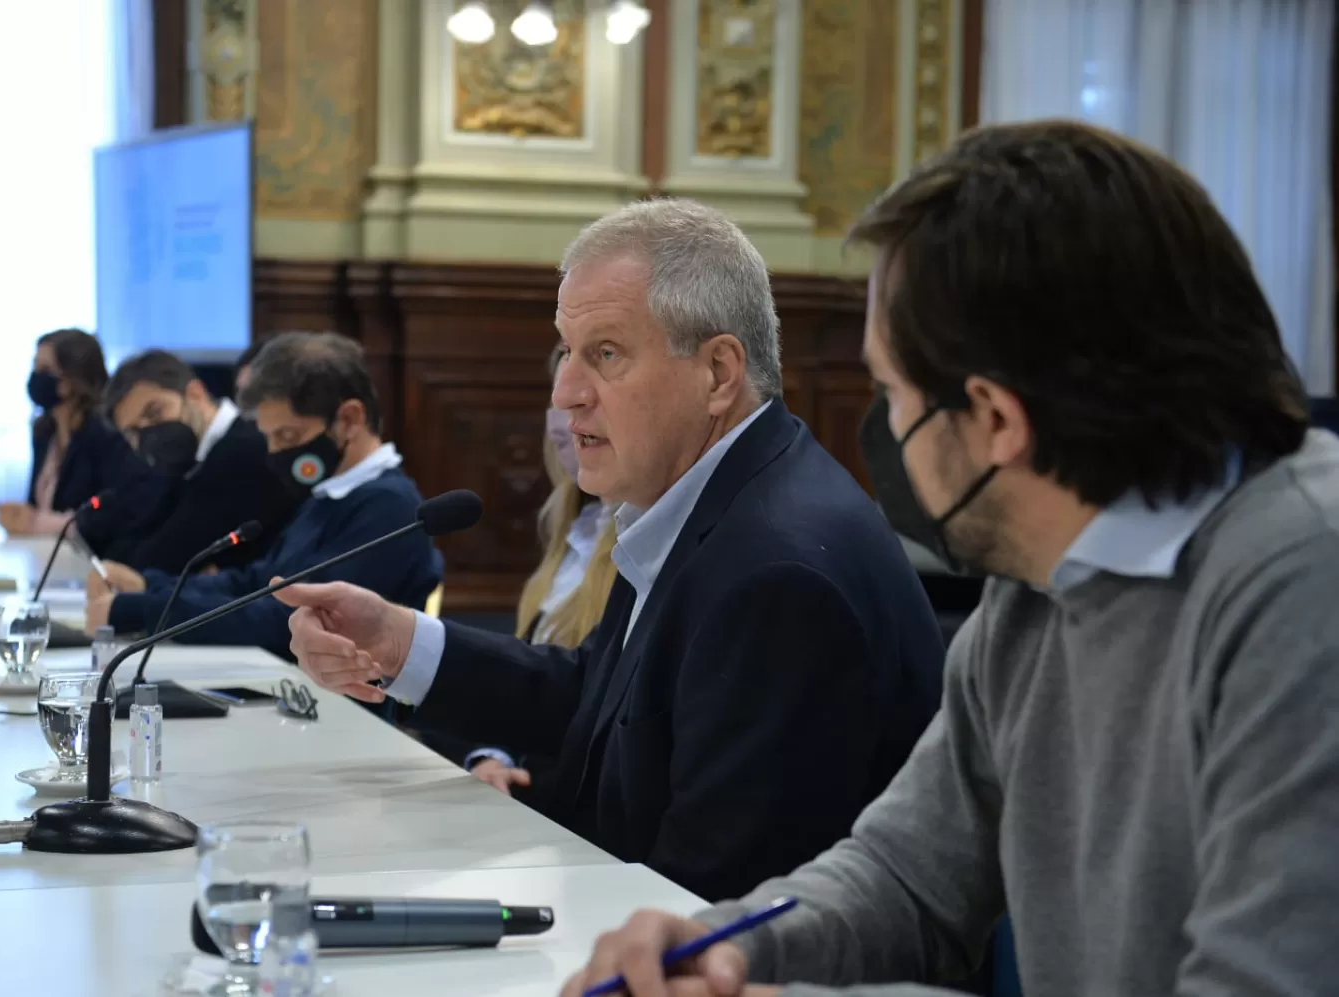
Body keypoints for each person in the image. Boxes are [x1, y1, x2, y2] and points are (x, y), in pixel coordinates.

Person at [560, 121, 1339, 997]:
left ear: (997, 421)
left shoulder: (1304, 584)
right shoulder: (1038, 585)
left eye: (892, 393)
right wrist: (727, 944)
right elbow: (902, 874)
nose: (884, 430)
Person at [279, 199, 946, 903]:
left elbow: (704, 901)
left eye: (606, 353)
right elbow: (597, 698)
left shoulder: (777, 574)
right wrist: (397, 640)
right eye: (568, 350)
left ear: (718, 372)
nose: (565, 393)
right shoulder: (705, 496)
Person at [85, 332, 443, 669]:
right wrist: (153, 586)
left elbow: (285, 622)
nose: (273, 454)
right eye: (269, 437)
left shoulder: (387, 508)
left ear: (349, 419)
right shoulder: (330, 493)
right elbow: (258, 583)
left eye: (288, 435)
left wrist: (140, 610)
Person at [445, 346, 619, 800]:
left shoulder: (644, 543)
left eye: (578, 403)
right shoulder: (568, 526)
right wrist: (493, 758)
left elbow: (579, 697)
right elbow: (529, 680)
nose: (561, 423)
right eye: (555, 402)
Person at [100, 349, 302, 573]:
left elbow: (167, 558)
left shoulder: (242, 451)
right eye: (134, 431)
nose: (149, 432)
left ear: (195, 394)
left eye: (155, 412)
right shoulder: (190, 458)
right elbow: (131, 544)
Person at [0, 328, 155, 537]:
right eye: (34, 366)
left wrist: (35, 522)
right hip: (44, 552)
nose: (36, 377)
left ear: (72, 378)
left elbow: (108, 516)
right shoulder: (43, 433)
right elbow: (36, 506)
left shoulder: (104, 436)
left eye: (45, 369)